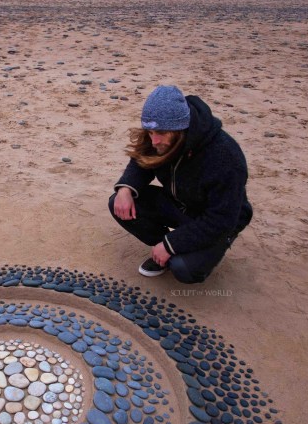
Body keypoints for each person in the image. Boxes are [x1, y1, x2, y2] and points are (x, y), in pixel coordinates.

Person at [108, 85, 252, 282]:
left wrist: (171, 245)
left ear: (181, 128)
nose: (154, 140)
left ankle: (181, 250)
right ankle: (163, 249)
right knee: (118, 203)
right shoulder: (159, 136)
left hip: (220, 219)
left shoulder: (225, 156)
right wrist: (125, 189)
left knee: (184, 269)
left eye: (160, 133)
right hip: (181, 203)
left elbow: (221, 219)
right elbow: (142, 161)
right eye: (150, 132)